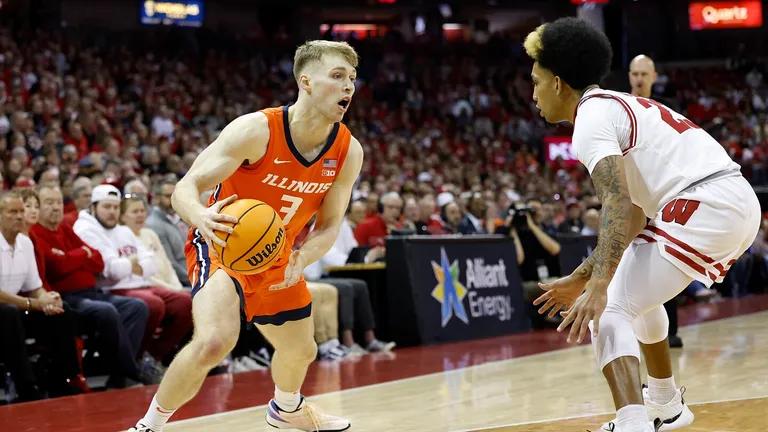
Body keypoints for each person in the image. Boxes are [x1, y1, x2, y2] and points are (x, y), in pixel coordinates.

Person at [526, 18, 760, 432]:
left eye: (537, 81)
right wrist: (584, 275)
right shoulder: (615, 106)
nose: (534, 94)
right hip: (731, 199)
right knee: (639, 297)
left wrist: (597, 285)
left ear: (559, 83)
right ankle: (666, 403)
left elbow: (615, 202)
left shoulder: (591, 120)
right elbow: (633, 216)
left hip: (703, 201)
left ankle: (631, 421)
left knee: (610, 306)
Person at [130, 40, 363, 432]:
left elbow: (328, 226)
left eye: (352, 79)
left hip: (278, 251)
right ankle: (148, 426)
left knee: (301, 349)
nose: (348, 88)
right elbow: (185, 188)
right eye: (337, 77)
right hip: (222, 241)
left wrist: (302, 258)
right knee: (214, 342)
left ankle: (287, 410)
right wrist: (201, 217)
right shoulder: (257, 129)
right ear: (305, 82)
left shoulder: (348, 150)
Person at [30, 184, 150, 388]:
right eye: (49, 203)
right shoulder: (35, 233)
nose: (56, 207)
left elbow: (98, 261)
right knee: (106, 311)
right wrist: (81, 254)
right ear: (38, 207)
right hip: (66, 296)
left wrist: (73, 257)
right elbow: (56, 267)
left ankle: (120, 375)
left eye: (58, 202)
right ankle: (130, 373)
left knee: (137, 307)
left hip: (90, 292)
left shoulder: (64, 229)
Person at [74, 185, 192, 375]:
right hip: (110, 289)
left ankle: (150, 357)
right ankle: (133, 364)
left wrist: (129, 264)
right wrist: (134, 265)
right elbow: (112, 271)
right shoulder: (86, 229)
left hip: (141, 285)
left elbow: (151, 263)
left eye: (115, 207)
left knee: (185, 303)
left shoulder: (123, 231)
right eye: (106, 207)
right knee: (153, 305)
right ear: (94, 207)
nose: (112, 212)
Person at [0, 191, 82, 401]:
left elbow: (35, 286)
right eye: (13, 212)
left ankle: (63, 380)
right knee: (9, 314)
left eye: (21, 211)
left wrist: (47, 299)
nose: (20, 216)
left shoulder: (25, 243)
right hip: (7, 310)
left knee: (61, 312)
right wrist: (32, 303)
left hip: (17, 308)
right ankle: (26, 387)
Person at [629, 54, 683, 350]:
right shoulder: (622, 108)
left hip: (661, 197)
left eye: (643, 74)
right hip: (632, 196)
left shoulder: (665, 111)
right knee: (632, 263)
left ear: (653, 77)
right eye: (634, 73)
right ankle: (634, 332)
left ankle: (668, 331)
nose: (638, 79)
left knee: (663, 262)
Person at [121, 195, 185, 291]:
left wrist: (178, 287)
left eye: (142, 211)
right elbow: (144, 275)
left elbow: (168, 266)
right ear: (123, 217)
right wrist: (173, 290)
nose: (140, 215)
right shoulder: (123, 237)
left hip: (172, 288)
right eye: (135, 212)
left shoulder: (150, 233)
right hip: (151, 288)